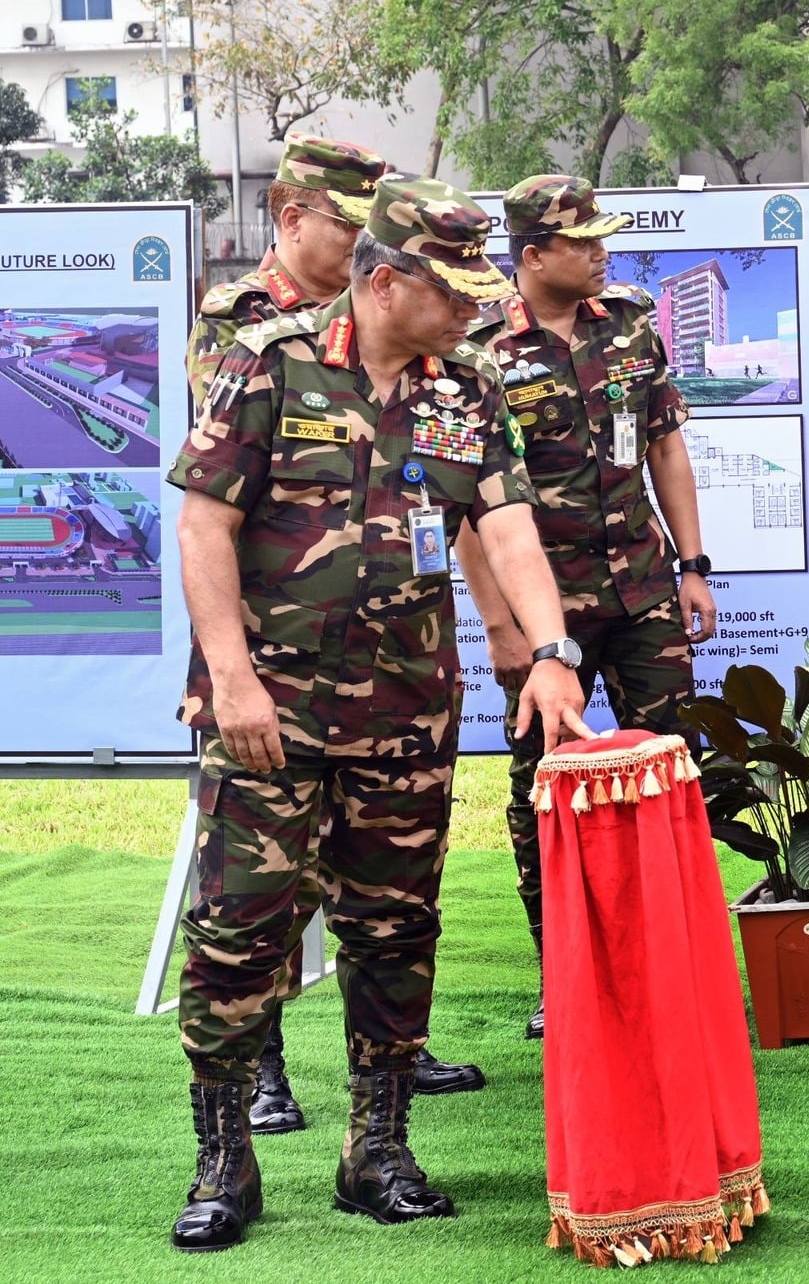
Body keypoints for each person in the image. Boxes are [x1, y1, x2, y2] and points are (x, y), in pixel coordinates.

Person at [167, 175, 593, 1253]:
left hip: (405, 712)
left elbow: (505, 525)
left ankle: (378, 1152)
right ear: (389, 280)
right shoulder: (270, 362)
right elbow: (205, 526)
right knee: (238, 931)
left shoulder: (469, 384)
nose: (470, 311)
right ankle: (225, 1159)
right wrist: (231, 677)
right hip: (270, 708)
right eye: (451, 292)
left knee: (395, 930)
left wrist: (550, 651)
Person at [456, 174, 716, 1038]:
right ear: (533, 256)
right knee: (546, 785)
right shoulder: (481, 350)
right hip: (546, 618)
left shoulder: (632, 322)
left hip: (642, 590)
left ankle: (674, 963)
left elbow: (665, 449)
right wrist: (504, 626)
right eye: (584, 241)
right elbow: (469, 506)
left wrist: (693, 566)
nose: (603, 252)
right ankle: (562, 975)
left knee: (673, 766)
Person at [186, 136, 385, 410]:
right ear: (293, 222)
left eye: (373, 226)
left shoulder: (379, 307)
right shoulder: (236, 316)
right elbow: (232, 424)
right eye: (351, 224)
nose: (366, 239)